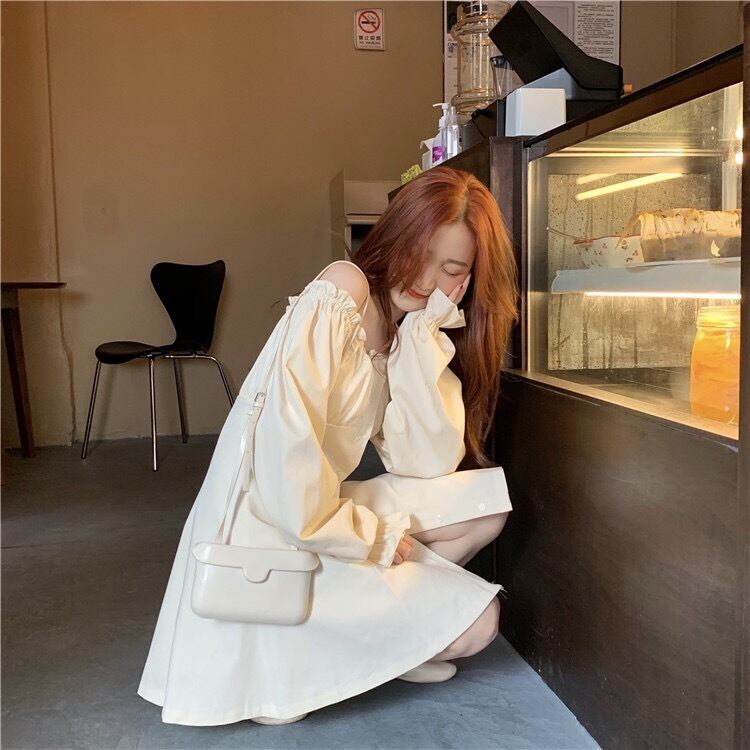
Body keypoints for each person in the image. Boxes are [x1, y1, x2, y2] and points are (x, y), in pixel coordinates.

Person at [137, 166, 519, 726]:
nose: (426, 277)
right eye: (421, 252)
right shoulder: (342, 292)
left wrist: (423, 334)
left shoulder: (403, 326)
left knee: (483, 505)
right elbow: (281, 465)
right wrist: (372, 538)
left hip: (316, 513)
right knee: (478, 622)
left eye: (452, 269)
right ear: (397, 234)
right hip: (273, 524)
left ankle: (384, 639)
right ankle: (308, 660)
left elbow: (426, 464)